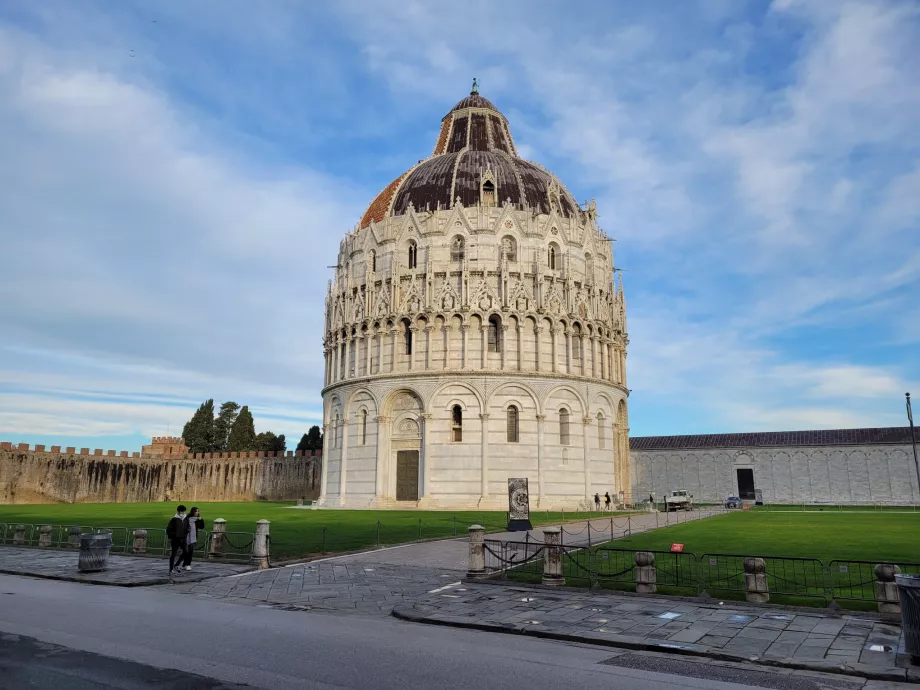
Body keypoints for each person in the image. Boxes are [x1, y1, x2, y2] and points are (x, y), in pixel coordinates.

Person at [166, 504, 189, 576]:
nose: (183, 513)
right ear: (179, 512)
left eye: (184, 512)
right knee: (173, 554)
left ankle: (177, 564)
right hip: (175, 539)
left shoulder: (186, 519)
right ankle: (171, 569)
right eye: (182, 512)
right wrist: (174, 534)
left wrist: (188, 530)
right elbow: (168, 529)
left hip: (183, 538)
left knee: (186, 552)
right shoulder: (174, 519)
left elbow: (188, 526)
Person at [183, 506, 204, 571]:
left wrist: (201, 520)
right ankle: (184, 563)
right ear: (193, 511)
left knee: (190, 551)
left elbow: (202, 527)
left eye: (198, 511)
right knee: (186, 551)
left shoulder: (197, 520)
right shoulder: (187, 518)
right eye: (196, 511)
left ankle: (188, 564)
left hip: (193, 537)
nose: (197, 512)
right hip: (186, 537)